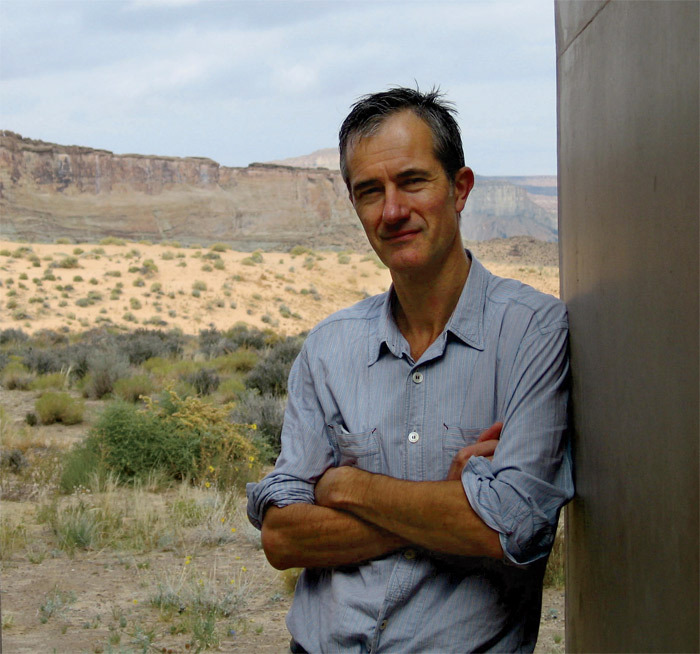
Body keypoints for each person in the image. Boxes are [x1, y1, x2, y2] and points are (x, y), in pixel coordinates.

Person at [247, 87, 573, 653]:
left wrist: (343, 486)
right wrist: (444, 505)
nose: (392, 211)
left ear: (460, 188)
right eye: (369, 192)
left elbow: (511, 528)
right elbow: (282, 537)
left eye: (413, 181)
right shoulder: (329, 348)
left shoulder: (532, 333)